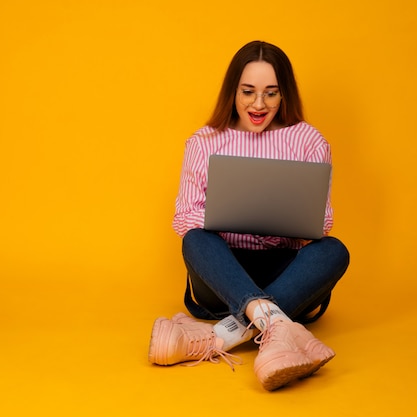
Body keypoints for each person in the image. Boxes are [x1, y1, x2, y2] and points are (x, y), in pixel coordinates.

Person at [148, 40, 350, 391]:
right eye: (248, 92)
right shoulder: (205, 142)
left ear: (284, 94)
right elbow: (183, 217)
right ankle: (274, 326)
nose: (259, 104)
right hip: (223, 275)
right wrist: (230, 217)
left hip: (286, 273)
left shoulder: (308, 141)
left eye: (271, 93)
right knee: (195, 239)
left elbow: (322, 222)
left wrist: (289, 218)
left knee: (334, 250)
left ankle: (221, 336)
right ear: (233, 91)